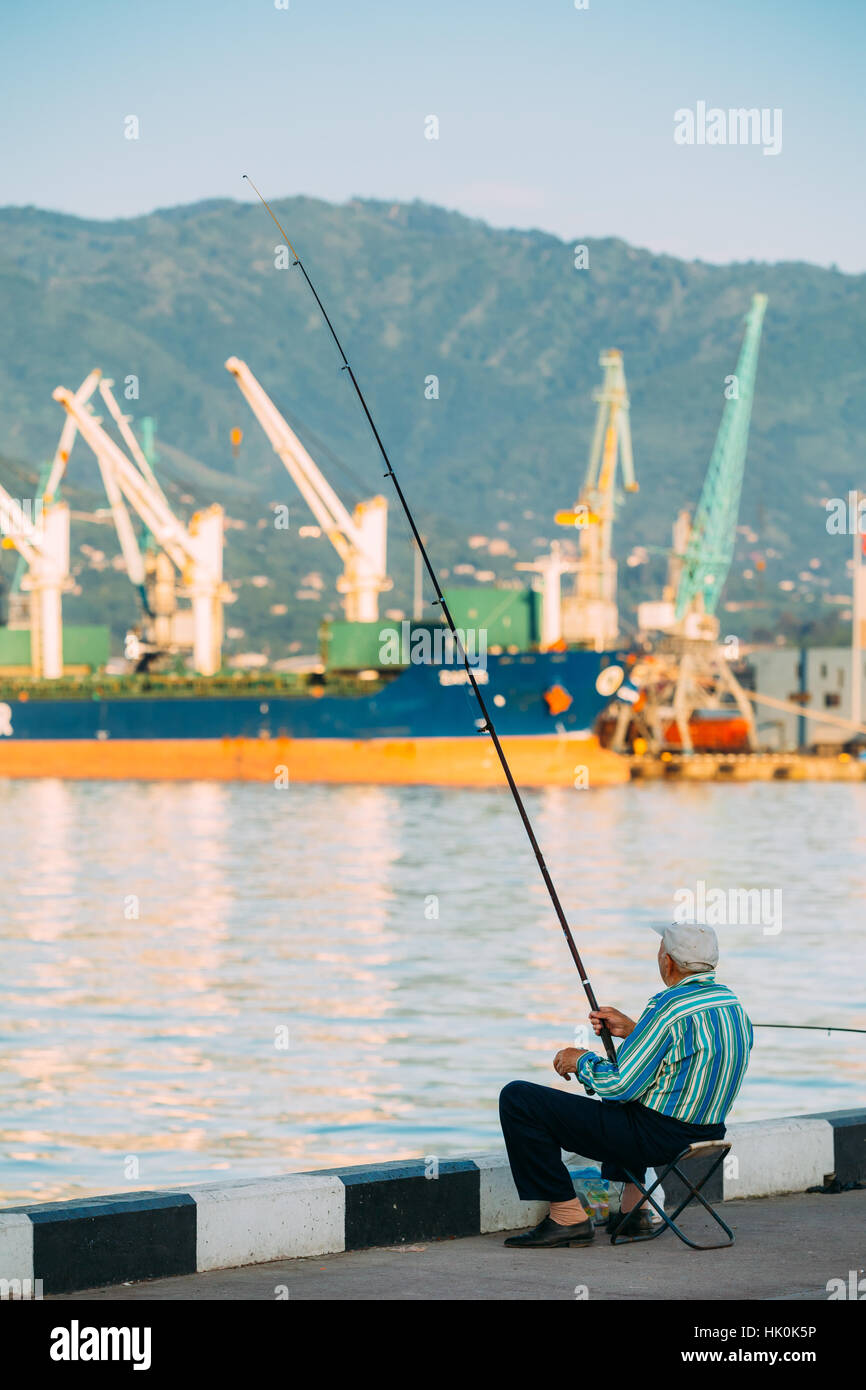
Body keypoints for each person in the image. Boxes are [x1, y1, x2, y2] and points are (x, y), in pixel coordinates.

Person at [498, 923, 752, 1248]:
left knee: (519, 1098)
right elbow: (690, 1056)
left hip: (657, 1140)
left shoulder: (668, 1006)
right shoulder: (732, 1005)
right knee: (635, 1088)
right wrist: (636, 1031)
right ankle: (635, 1210)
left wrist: (580, 1060)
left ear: (668, 962)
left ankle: (567, 1217)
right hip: (709, 1134)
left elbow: (620, 1086)